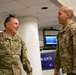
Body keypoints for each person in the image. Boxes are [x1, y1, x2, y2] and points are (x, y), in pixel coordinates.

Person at [54, 5, 76, 75]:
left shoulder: (74, 28)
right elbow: (58, 52)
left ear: (67, 15)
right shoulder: (61, 32)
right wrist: (56, 69)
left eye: (59, 13)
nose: (57, 16)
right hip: (69, 71)